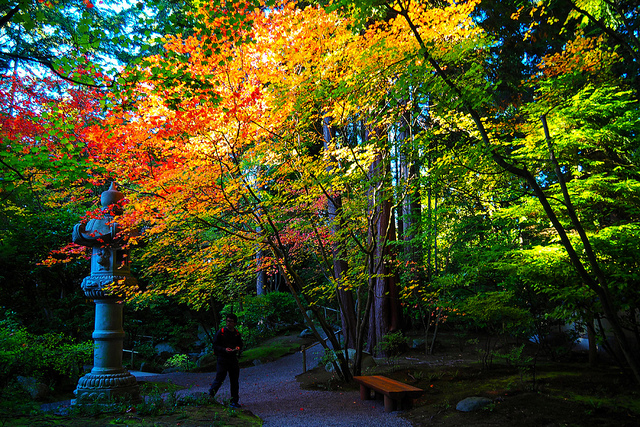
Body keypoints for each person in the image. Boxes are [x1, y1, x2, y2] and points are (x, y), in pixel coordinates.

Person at [209, 313, 243, 408]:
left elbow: (240, 344)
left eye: (231, 321)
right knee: (219, 379)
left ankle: (234, 401)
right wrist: (224, 350)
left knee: (234, 381)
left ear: (235, 323)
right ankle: (210, 396)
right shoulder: (221, 332)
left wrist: (237, 348)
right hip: (222, 359)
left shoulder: (236, 334)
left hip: (233, 359)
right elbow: (215, 345)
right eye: (227, 321)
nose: (228, 323)